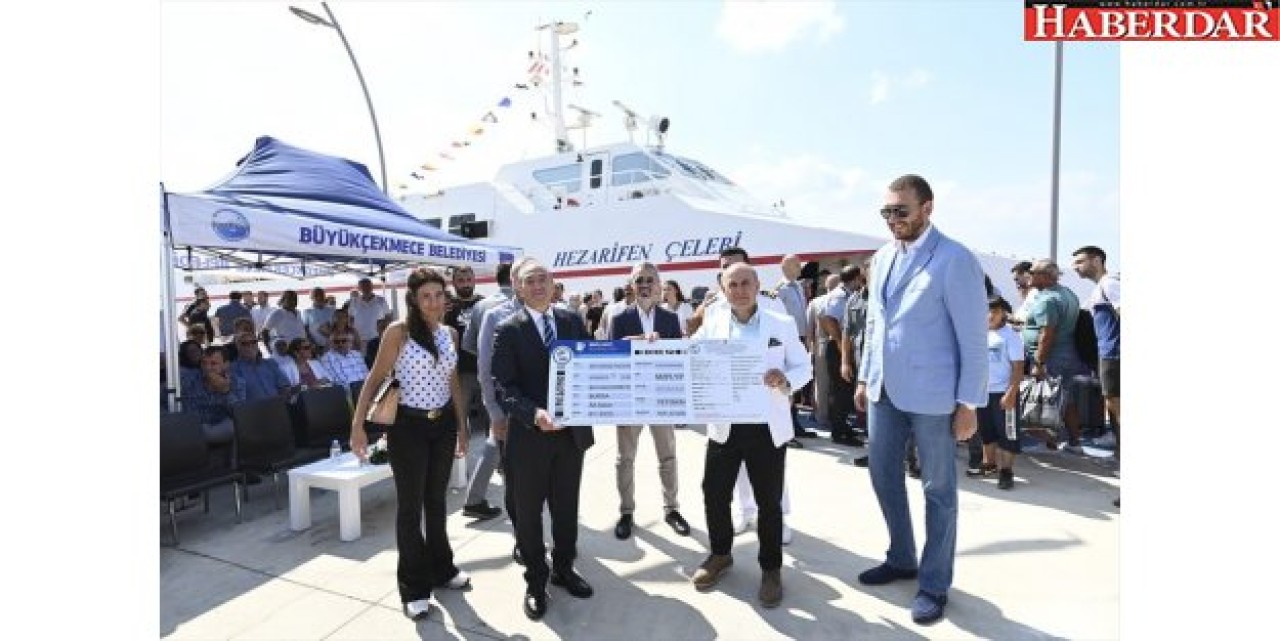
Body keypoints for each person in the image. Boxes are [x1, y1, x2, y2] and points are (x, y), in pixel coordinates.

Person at [854, 174, 988, 626]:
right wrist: (865, 377)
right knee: (882, 475)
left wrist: (969, 403)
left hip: (934, 396)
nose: (893, 219)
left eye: (901, 211)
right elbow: (875, 324)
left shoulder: (955, 259)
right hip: (883, 391)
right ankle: (901, 557)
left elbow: (973, 338)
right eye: (886, 212)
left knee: (938, 490)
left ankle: (933, 583)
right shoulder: (881, 257)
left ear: (927, 208)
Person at [350, 267, 471, 622]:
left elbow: (453, 382)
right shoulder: (398, 332)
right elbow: (374, 379)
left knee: (437, 502)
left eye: (438, 295)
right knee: (410, 508)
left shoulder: (450, 334)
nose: (433, 302)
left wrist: (461, 426)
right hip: (408, 429)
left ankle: (443, 569)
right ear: (414, 301)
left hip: (442, 425)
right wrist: (357, 426)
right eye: (425, 296)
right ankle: (415, 588)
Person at [688, 261, 812, 609]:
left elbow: (804, 366)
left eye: (746, 283)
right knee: (714, 493)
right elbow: (688, 354)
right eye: (733, 284)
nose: (740, 290)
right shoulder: (713, 321)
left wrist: (786, 380)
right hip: (725, 425)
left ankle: (771, 569)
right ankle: (720, 553)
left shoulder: (781, 323)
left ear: (758, 286)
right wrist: (654, 344)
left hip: (766, 427)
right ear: (723, 290)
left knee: (769, 502)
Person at [490, 258, 595, 621]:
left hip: (571, 437)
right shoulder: (508, 329)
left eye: (543, 279)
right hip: (530, 437)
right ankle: (536, 581)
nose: (537, 286)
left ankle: (564, 569)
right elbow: (504, 387)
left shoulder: (571, 321)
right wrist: (533, 414)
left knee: (566, 508)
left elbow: (594, 362)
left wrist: (633, 347)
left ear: (553, 283)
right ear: (518, 288)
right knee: (529, 514)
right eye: (529, 281)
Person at [610, 261, 691, 539]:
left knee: (667, 456)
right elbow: (612, 358)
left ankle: (672, 509)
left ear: (658, 285)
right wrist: (633, 342)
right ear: (632, 286)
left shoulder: (670, 319)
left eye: (649, 280)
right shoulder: (619, 318)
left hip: (660, 398)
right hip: (630, 399)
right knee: (625, 459)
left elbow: (679, 359)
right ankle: (626, 512)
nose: (644, 285)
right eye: (639, 280)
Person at [1071, 245, 1121, 507]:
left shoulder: (1110, 283)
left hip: (1115, 356)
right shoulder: (1100, 287)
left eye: (1080, 262)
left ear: (1097, 260)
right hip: (1108, 356)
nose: (1075, 267)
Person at [966, 297, 1025, 490]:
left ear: (1003, 313)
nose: (990, 315)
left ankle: (1006, 471)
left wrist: (1011, 393)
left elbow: (1018, 367)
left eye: (996, 311)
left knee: (1008, 434)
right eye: (987, 311)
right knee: (986, 431)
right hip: (982, 393)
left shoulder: (1011, 336)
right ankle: (989, 464)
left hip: (1003, 393)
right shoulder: (978, 334)